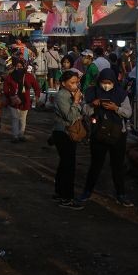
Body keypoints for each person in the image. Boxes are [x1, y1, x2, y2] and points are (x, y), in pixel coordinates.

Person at [78, 68, 134, 207]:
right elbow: (83, 110)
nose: (106, 85)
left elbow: (128, 113)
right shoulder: (92, 92)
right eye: (103, 82)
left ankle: (121, 194)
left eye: (109, 82)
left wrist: (115, 108)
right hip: (98, 133)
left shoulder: (122, 94)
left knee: (117, 166)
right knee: (96, 165)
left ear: (114, 82)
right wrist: (93, 104)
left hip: (117, 134)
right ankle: (87, 191)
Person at [51, 70, 85, 209]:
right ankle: (67, 198)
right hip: (64, 133)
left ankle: (60, 193)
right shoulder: (61, 96)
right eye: (72, 82)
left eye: (76, 82)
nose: (75, 85)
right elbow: (70, 117)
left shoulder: (70, 94)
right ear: (64, 83)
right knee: (68, 166)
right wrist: (76, 101)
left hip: (67, 132)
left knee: (64, 164)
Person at [4, 58, 40, 143]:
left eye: (21, 66)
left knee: (23, 119)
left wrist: (37, 96)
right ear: (14, 67)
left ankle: (21, 134)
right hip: (13, 101)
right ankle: (15, 136)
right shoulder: (10, 76)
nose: (19, 68)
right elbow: (5, 88)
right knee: (15, 118)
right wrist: (9, 97)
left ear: (24, 67)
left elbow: (36, 87)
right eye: (17, 66)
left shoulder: (29, 76)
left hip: (25, 101)